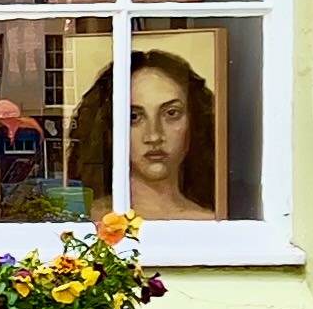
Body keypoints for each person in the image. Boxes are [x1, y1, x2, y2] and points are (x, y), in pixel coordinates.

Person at [67, 48, 219, 220]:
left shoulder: (213, 222)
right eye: (134, 117)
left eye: (171, 113)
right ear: (108, 127)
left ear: (194, 120)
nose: (154, 136)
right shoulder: (84, 221)